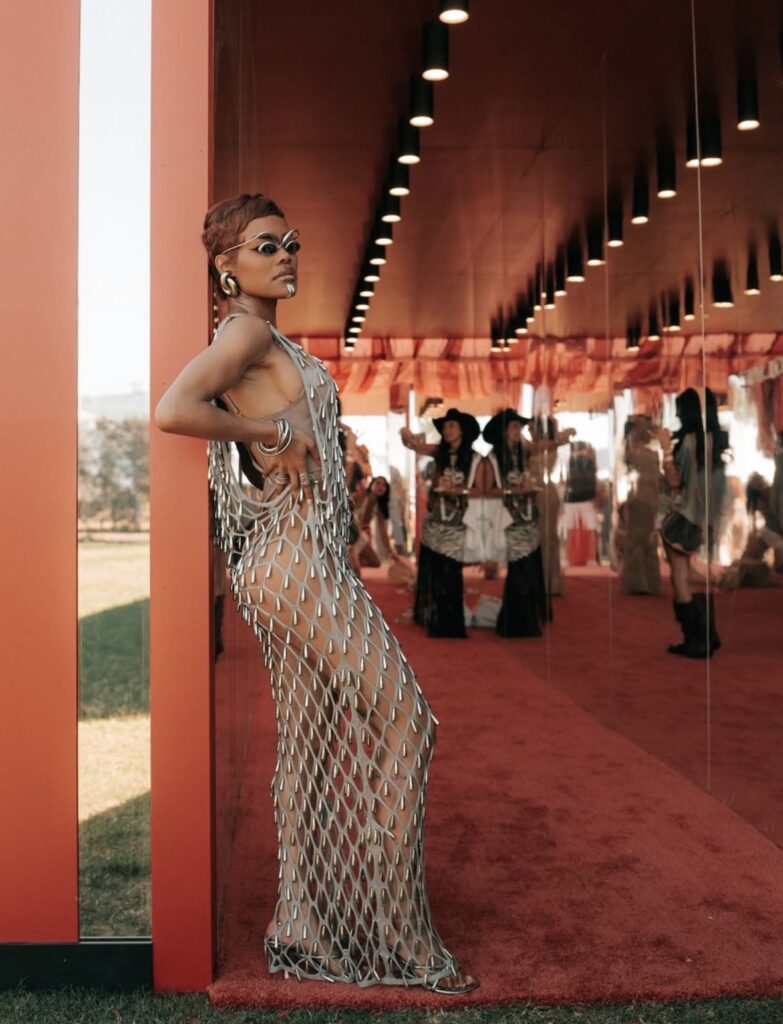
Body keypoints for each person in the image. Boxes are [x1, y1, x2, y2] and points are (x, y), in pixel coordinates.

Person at [154, 193, 478, 994]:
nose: (287, 255)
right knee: (408, 724)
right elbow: (172, 410)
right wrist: (269, 433)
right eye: (267, 246)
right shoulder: (244, 332)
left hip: (297, 563)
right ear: (227, 267)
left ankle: (301, 926)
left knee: (307, 746)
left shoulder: (263, 336)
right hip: (296, 566)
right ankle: (402, 937)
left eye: (291, 242)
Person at [659, 387, 729, 658]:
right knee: (687, 576)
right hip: (704, 520)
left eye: (680, 410)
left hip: (683, 518)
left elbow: (675, 481)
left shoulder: (688, 442)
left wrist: (666, 450)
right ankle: (707, 635)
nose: (677, 416)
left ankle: (696, 639)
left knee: (680, 578)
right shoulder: (717, 441)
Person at [401, 409, 481, 638]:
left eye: (452, 426)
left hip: (458, 521)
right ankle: (435, 618)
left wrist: (460, 491)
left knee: (452, 571)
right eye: (445, 427)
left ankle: (451, 621)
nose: (447, 430)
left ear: (462, 430)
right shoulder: (439, 452)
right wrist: (405, 434)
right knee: (435, 570)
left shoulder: (475, 458)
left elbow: (481, 490)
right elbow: (414, 446)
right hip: (435, 520)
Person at [478, 408, 549, 637]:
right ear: (504, 431)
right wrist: (512, 491)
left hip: (527, 515)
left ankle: (524, 620)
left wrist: (560, 439)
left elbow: (543, 447)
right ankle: (513, 622)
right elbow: (486, 490)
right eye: (515, 426)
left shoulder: (523, 455)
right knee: (519, 567)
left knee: (529, 566)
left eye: (520, 427)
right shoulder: (493, 458)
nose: (519, 431)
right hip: (507, 516)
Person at [526, 415, 576, 596]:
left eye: (532, 428)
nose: (529, 431)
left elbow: (550, 443)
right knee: (537, 537)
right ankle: (542, 580)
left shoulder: (544, 445)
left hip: (544, 493)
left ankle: (547, 581)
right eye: (529, 428)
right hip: (534, 492)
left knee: (547, 537)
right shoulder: (543, 445)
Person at [620, 415, 663, 595]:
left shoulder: (645, 449)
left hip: (649, 498)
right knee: (640, 540)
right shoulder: (634, 449)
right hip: (640, 498)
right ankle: (641, 582)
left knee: (644, 541)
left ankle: (644, 581)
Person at [354, 475, 401, 568]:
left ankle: (356, 558)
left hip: (363, 535)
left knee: (376, 563)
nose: (381, 487)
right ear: (371, 484)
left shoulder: (379, 508)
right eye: (378, 483)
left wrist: (391, 552)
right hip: (351, 532)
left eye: (384, 485)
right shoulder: (358, 496)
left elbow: (383, 532)